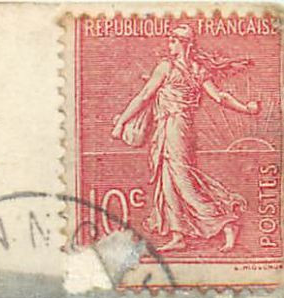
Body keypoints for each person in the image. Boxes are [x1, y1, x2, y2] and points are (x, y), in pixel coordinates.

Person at [110, 24, 262, 252]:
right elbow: (220, 97)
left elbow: (143, 97)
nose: (169, 44)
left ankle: (226, 222)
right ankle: (177, 235)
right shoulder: (197, 70)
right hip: (176, 128)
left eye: (172, 40)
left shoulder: (166, 67)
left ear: (184, 43)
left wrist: (122, 121)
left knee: (182, 179)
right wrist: (246, 108)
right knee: (168, 180)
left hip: (174, 127)